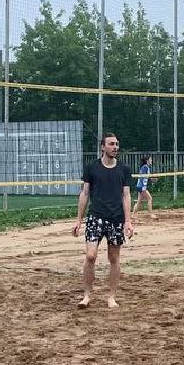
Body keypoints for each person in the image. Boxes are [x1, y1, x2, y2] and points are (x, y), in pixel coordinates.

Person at [73, 131, 134, 309]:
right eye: (111, 144)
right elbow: (85, 193)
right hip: (95, 217)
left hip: (116, 219)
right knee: (90, 256)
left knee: (114, 258)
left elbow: (126, 195)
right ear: (103, 147)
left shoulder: (124, 169)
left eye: (116, 144)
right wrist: (78, 220)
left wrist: (128, 221)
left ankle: (111, 297)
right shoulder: (92, 167)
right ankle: (86, 296)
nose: (115, 147)